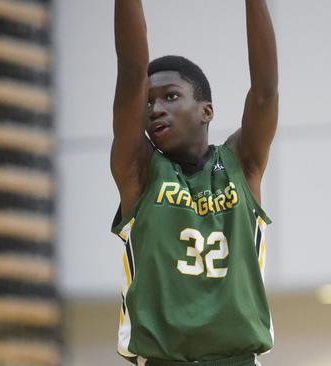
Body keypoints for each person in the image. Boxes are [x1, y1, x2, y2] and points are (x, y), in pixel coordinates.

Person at [110, 1, 278, 365]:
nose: (155, 109)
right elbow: (131, 71)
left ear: (206, 111)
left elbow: (265, 90)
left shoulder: (242, 163)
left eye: (170, 96)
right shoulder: (139, 171)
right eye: (149, 102)